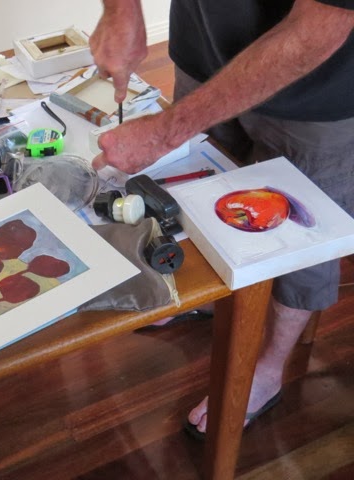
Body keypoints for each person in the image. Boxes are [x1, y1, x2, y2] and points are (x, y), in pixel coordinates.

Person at [89, 0, 354, 437]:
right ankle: (214, 300)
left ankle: (268, 366)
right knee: (200, 193)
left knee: (300, 241)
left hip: (316, 87)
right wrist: (122, 11)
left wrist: (164, 132)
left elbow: (319, 26)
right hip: (204, 51)